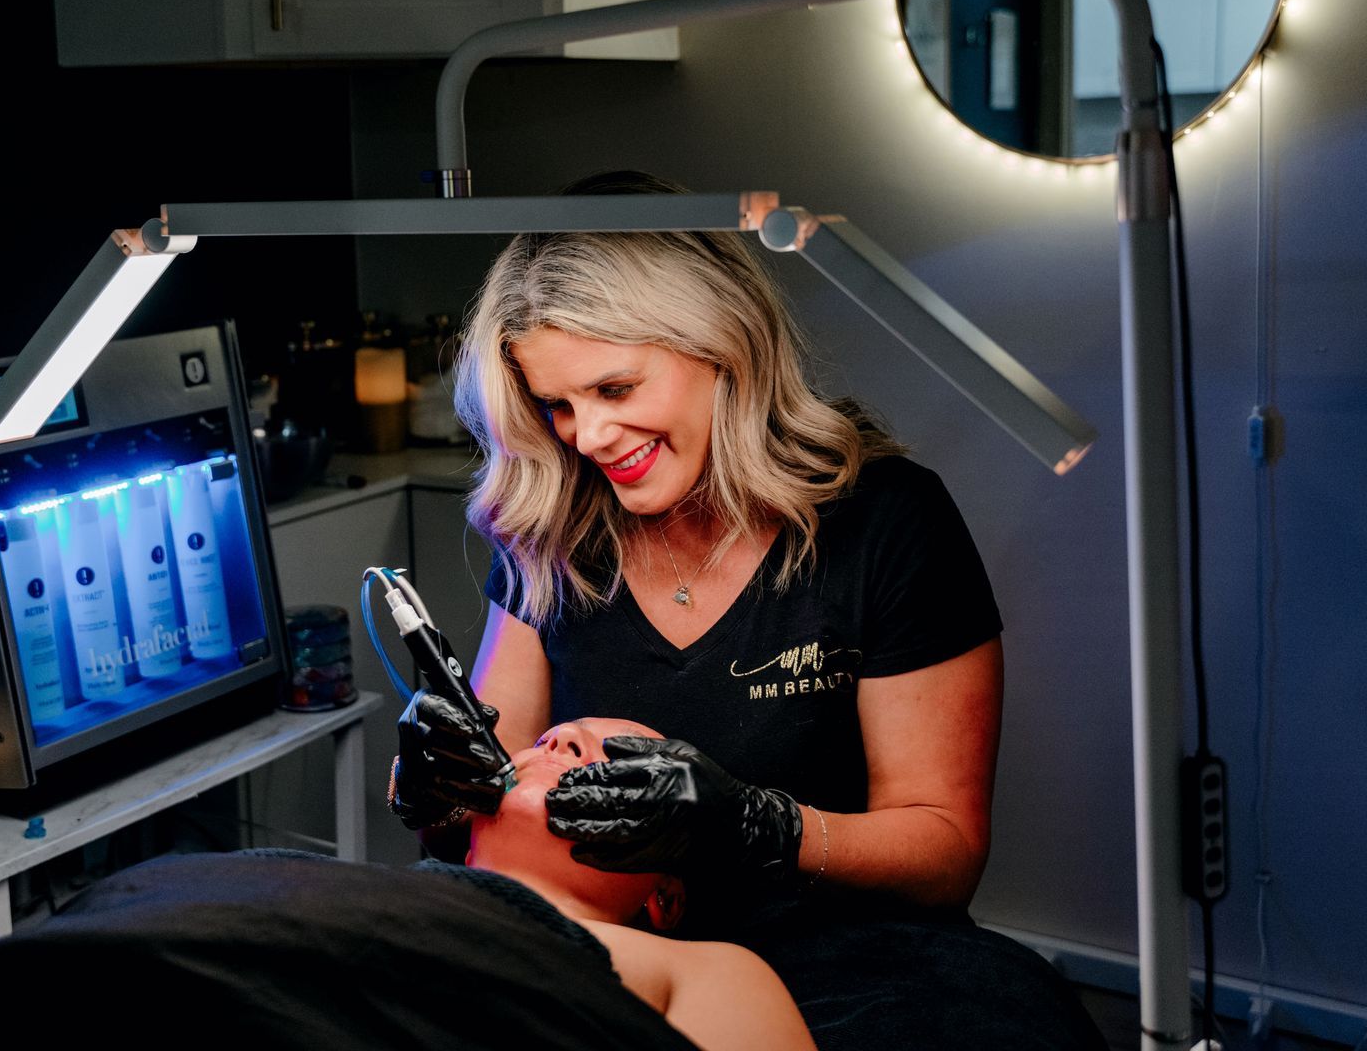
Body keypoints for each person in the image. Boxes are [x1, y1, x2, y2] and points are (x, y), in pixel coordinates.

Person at [390, 172, 1106, 1050]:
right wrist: (432, 785)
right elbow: (491, 800)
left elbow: (946, 852)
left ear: (721, 344)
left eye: (615, 390)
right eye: (557, 405)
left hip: (855, 964)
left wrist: (761, 825)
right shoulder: (557, 531)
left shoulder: (885, 522)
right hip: (612, 956)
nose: (586, 437)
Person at [466, 715, 816, 1051]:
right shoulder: (419, 892)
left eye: (619, 760)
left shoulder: (716, 973)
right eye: (541, 741)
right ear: (468, 857)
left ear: (664, 897)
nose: (562, 738)